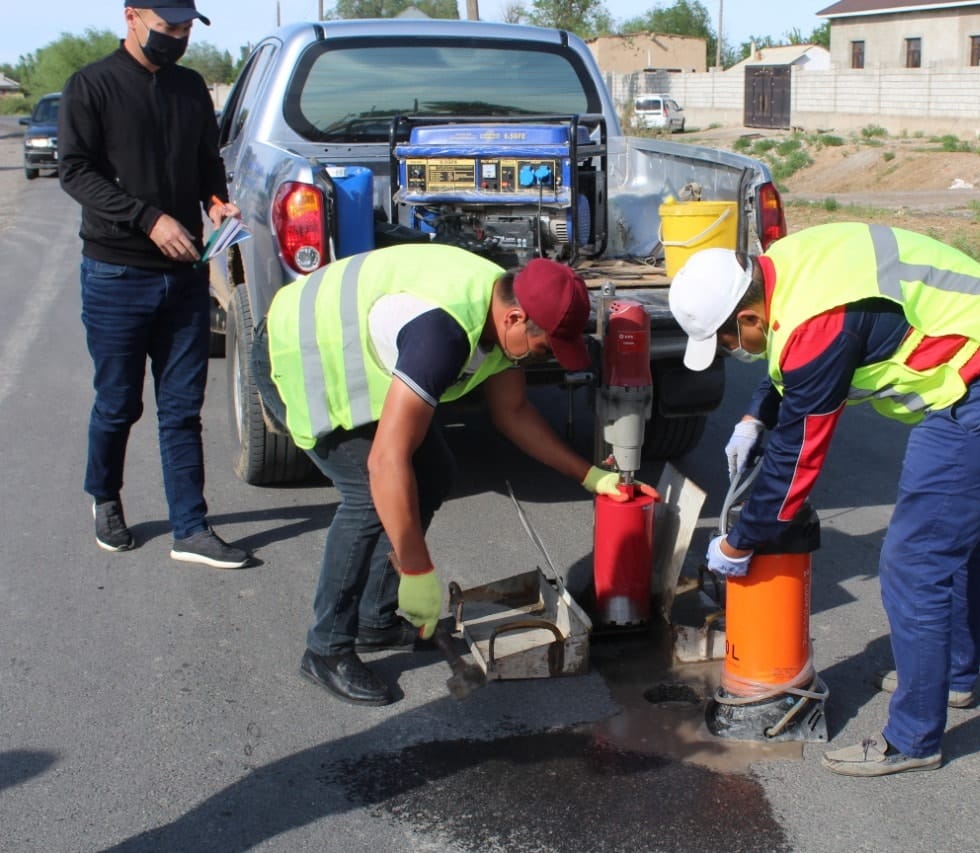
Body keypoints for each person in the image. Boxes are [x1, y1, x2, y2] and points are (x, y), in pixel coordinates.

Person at [668, 223, 980, 776]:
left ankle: (914, 739)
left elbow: (797, 459)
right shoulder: (784, 267)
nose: (735, 350)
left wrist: (741, 539)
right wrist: (756, 415)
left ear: (747, 317)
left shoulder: (816, 328)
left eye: (728, 341)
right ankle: (953, 677)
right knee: (957, 538)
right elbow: (786, 354)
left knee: (916, 560)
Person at [258, 245, 652, 706]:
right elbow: (385, 463)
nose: (543, 359)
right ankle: (326, 648)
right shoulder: (442, 333)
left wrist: (589, 476)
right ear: (516, 320)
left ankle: (375, 620)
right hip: (300, 348)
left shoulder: (505, 308)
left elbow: (513, 412)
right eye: (545, 347)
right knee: (368, 495)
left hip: (359, 350)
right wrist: (417, 567)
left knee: (435, 472)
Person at [58, 1, 250, 569]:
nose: (179, 38)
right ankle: (106, 498)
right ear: (132, 18)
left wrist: (216, 201)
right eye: (169, 28)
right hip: (117, 272)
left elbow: (205, 160)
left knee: (182, 409)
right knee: (119, 403)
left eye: (187, 29)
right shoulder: (90, 85)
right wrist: (147, 218)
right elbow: (75, 170)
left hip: (184, 275)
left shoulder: (190, 88)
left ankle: (190, 526)